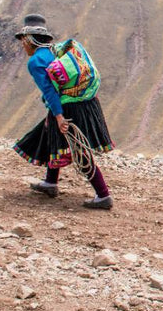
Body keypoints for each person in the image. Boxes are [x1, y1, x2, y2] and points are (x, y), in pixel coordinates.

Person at [12, 14, 115, 209]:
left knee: (78, 148)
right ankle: (51, 183)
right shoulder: (56, 51)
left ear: (29, 39)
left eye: (23, 41)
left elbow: (50, 91)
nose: (22, 45)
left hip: (68, 108)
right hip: (85, 103)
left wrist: (58, 116)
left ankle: (103, 195)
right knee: (51, 137)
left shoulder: (35, 61)